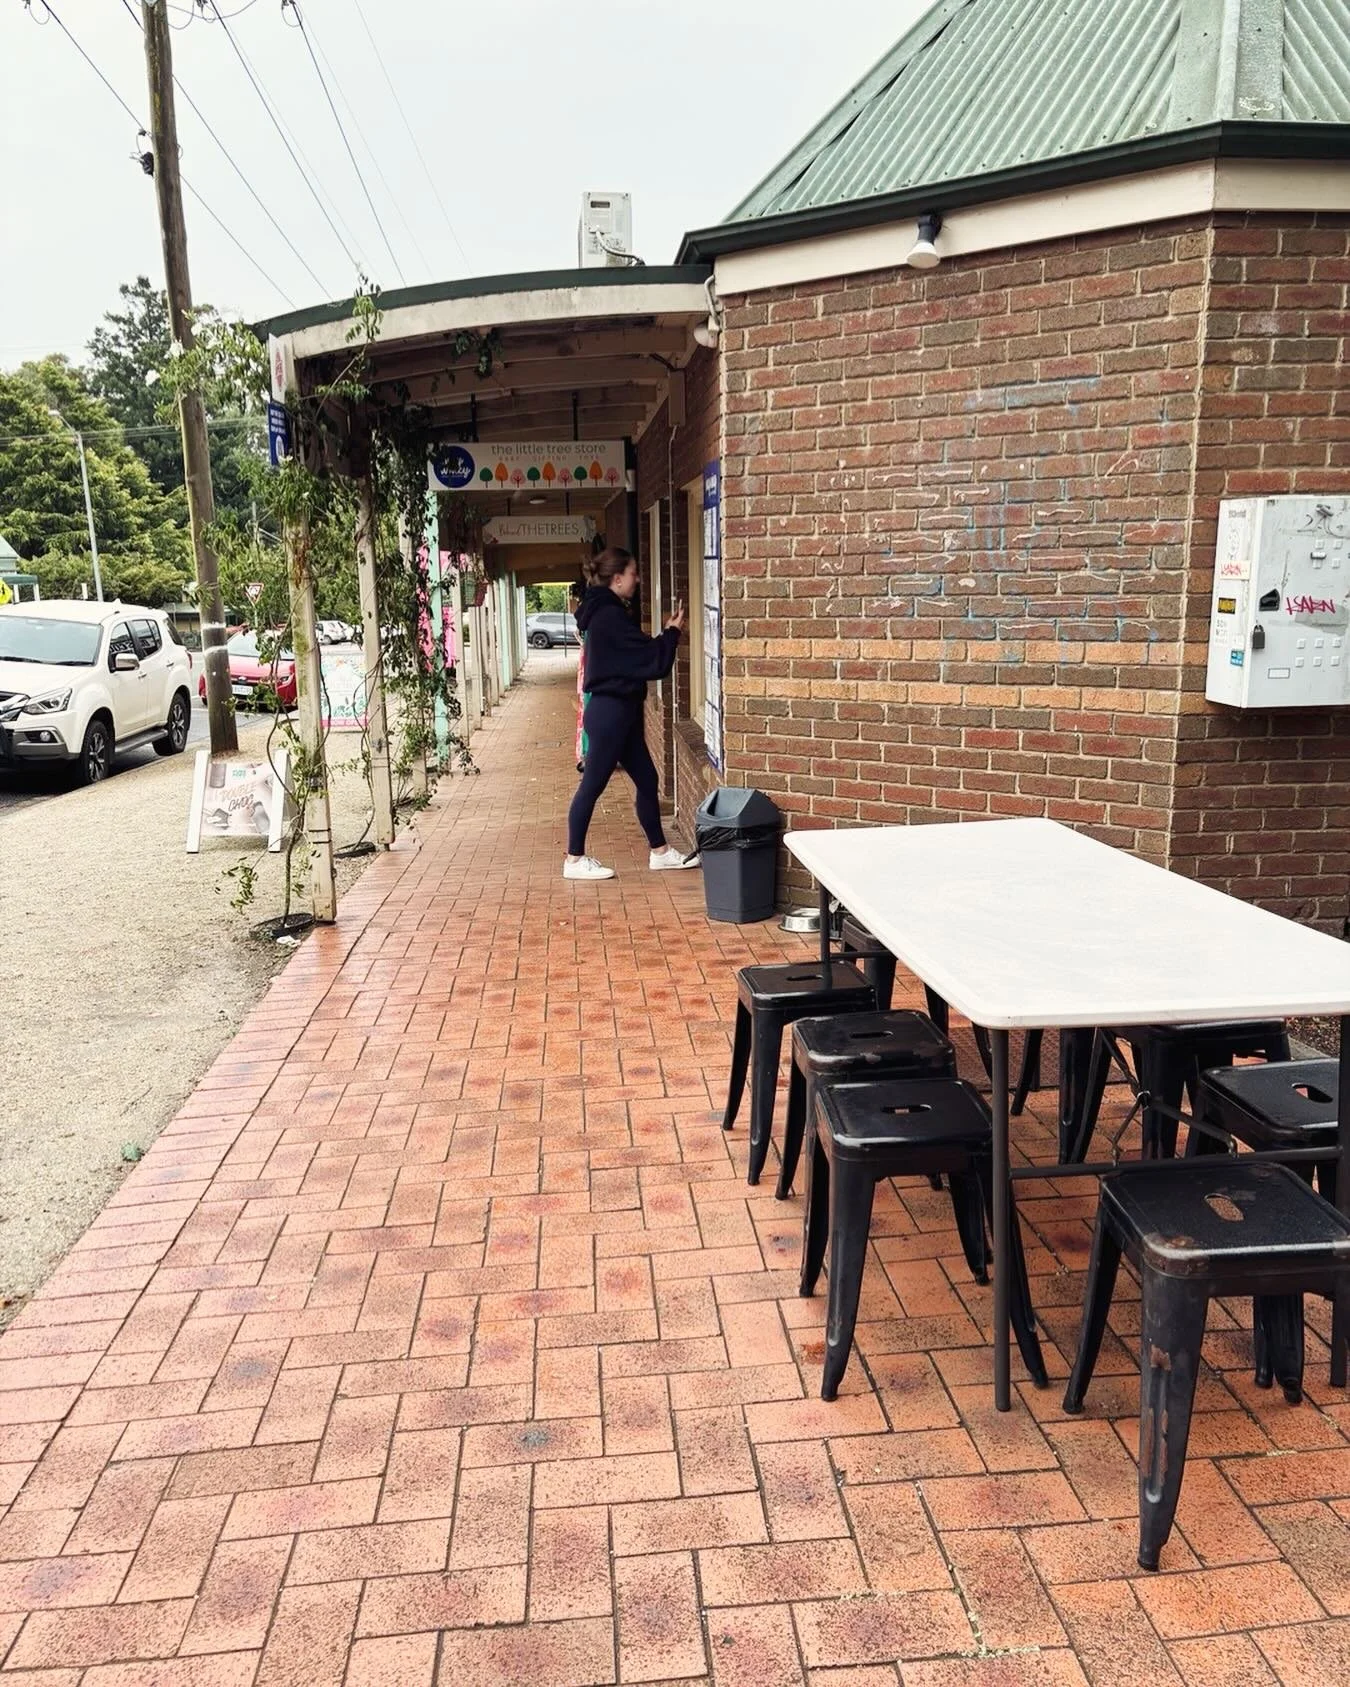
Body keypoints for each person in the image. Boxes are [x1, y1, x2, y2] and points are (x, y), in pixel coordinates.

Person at [564, 547, 697, 881]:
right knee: (592, 785)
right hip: (611, 714)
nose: (637, 578)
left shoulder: (603, 611)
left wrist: (667, 634)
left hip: (619, 712)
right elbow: (649, 660)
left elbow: (638, 653)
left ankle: (660, 852)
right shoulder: (609, 616)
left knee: (648, 779)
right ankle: (574, 859)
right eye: (634, 572)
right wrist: (672, 633)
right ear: (617, 577)